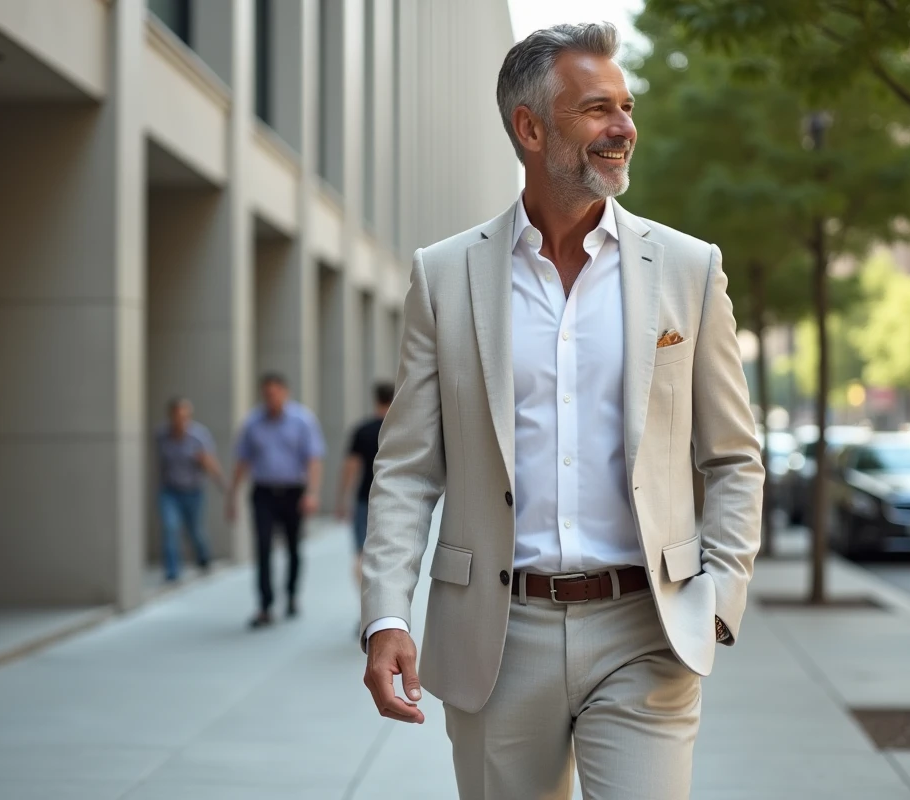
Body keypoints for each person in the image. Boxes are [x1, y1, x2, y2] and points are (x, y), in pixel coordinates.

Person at [360, 22, 763, 800]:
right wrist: (386, 617)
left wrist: (720, 597)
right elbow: (407, 468)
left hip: (647, 629)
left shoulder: (688, 268)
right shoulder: (444, 277)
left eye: (626, 106)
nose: (623, 129)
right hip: (496, 638)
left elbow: (734, 457)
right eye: (596, 110)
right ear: (530, 128)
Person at [228, 373, 325, 629]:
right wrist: (232, 496)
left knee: (293, 547)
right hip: (263, 492)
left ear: (285, 392)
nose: (271, 399)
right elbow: (242, 461)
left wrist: (312, 493)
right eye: (266, 394)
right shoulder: (252, 423)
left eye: (274, 393)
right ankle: (265, 605)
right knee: (262, 547)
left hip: (293, 491)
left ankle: (292, 594)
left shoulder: (302, 421)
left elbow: (313, 459)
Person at [335, 382, 396, 607]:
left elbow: (350, 467)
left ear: (376, 400)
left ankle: (366, 608)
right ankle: (388, 608)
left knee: (362, 555)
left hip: (364, 499)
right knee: (391, 555)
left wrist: (342, 500)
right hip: (392, 500)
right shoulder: (398, 429)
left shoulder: (362, 430)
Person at [156, 397, 226, 582]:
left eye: (186, 416)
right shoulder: (162, 435)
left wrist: (222, 484)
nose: (182, 420)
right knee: (170, 527)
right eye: (178, 416)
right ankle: (172, 571)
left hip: (193, 490)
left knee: (195, 530)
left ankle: (203, 558)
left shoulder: (199, 435)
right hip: (170, 490)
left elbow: (210, 461)